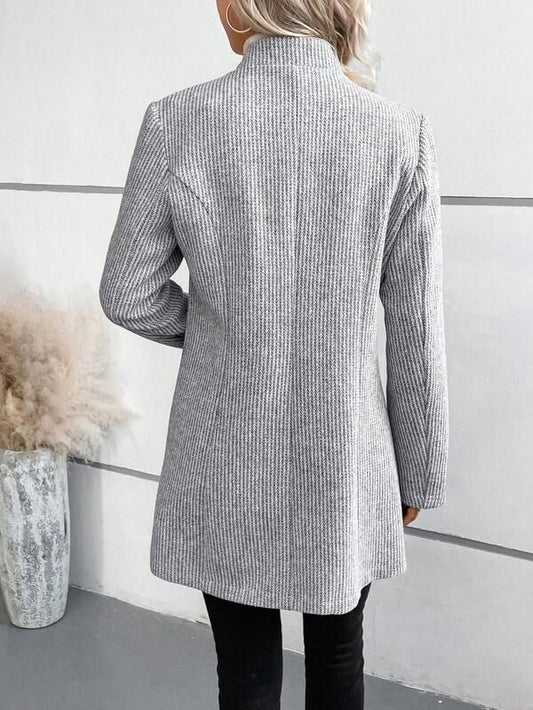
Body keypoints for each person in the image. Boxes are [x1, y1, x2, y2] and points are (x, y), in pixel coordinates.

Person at [98, 1, 449, 707]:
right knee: (339, 659)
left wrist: (225, 333)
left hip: (224, 452)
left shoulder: (177, 121)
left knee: (246, 673)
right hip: (345, 456)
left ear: (240, 6)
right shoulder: (395, 132)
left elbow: (127, 293)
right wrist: (420, 469)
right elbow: (415, 324)